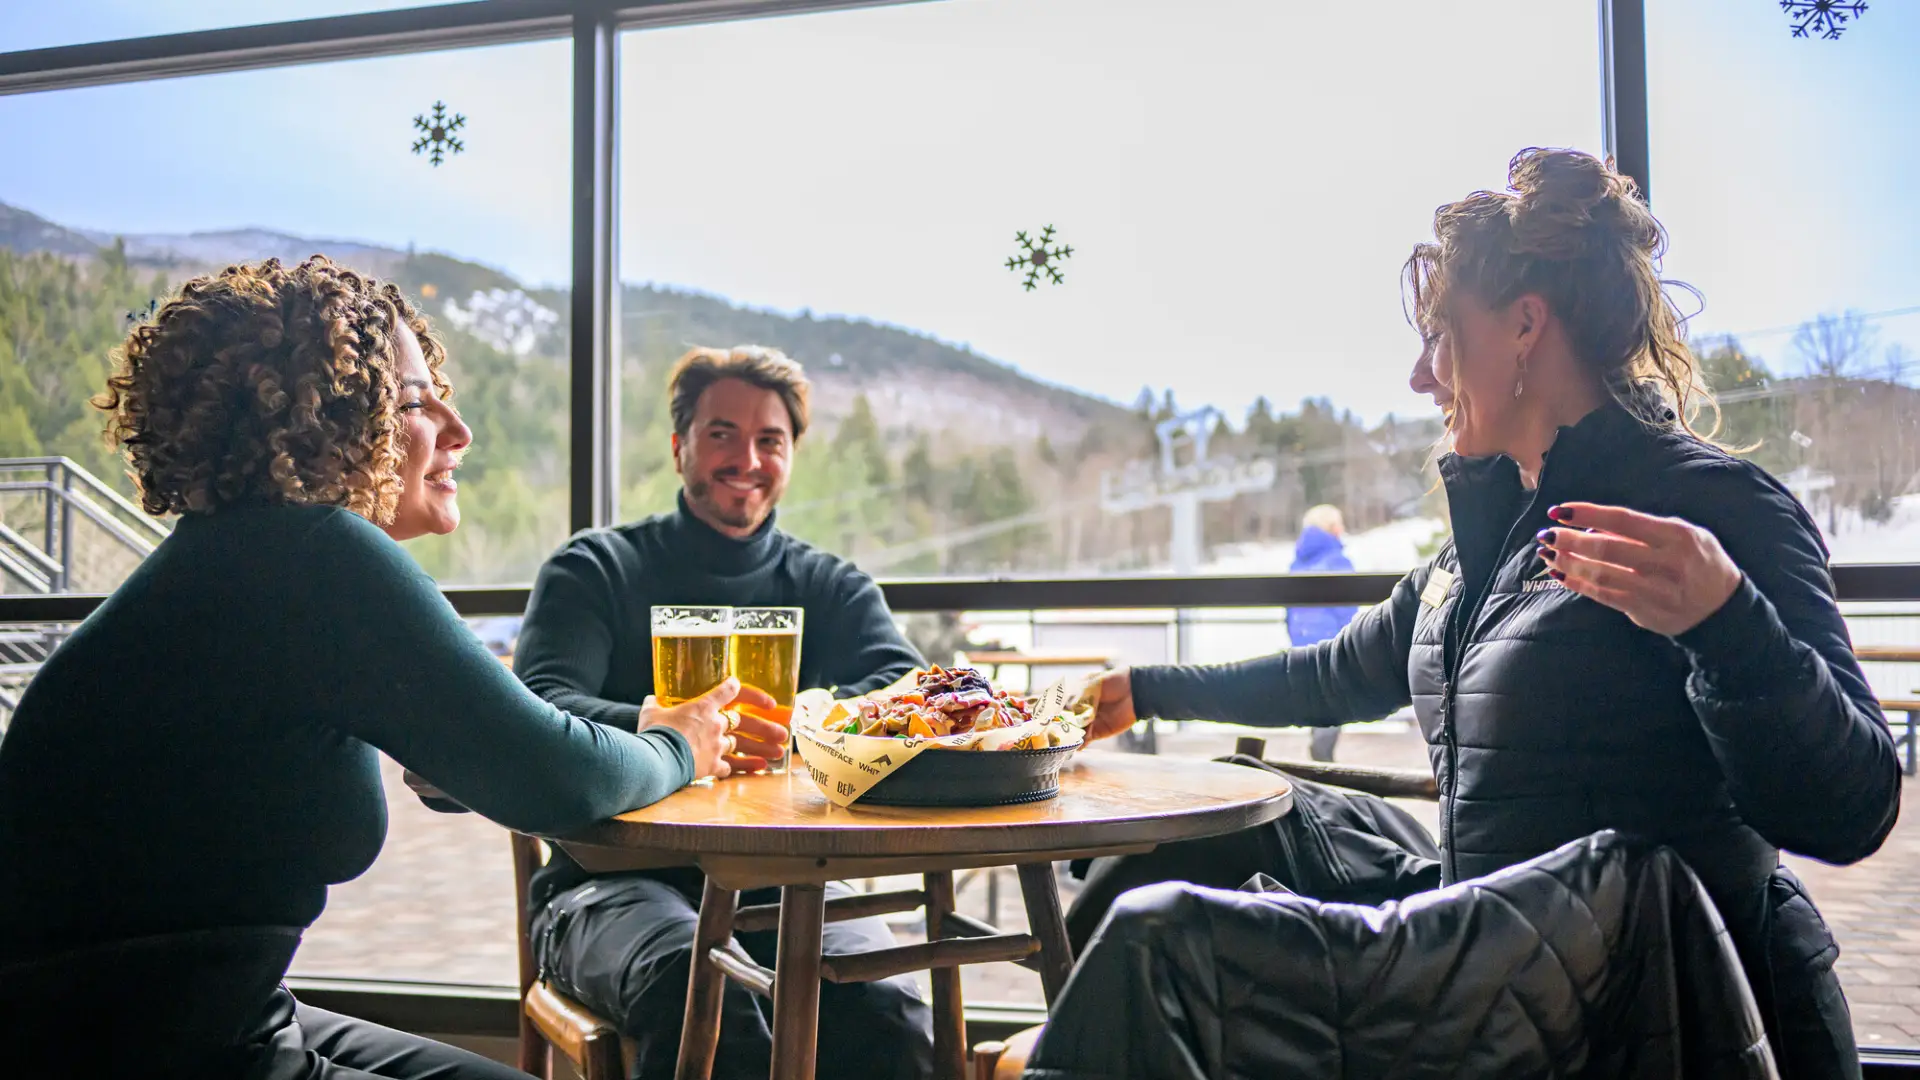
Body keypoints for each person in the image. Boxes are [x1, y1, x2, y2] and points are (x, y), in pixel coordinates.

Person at [1073, 149, 1899, 1079]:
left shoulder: (1715, 508)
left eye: (1439, 336)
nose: (1423, 377)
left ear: (1523, 326)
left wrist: (1728, 623)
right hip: (1498, 974)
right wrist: (1144, 688)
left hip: (1642, 1005)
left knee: (1159, 941)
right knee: (1168, 854)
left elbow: (1855, 806)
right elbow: (1336, 673)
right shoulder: (1483, 547)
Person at [0, 256, 757, 1080]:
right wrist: (681, 747)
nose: (457, 431)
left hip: (174, 1014)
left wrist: (647, 730)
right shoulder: (311, 557)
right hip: (133, 1050)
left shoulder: (248, 556)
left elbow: (502, 730)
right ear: (319, 421)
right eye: (413, 402)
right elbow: (559, 778)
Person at [510, 346, 933, 1080]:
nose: (748, 458)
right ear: (679, 447)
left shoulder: (827, 583)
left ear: (791, 455)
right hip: (606, 885)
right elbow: (542, 704)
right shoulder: (593, 570)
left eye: (770, 439)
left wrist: (810, 716)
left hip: (793, 878)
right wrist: (674, 730)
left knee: (886, 1008)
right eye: (721, 434)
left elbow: (904, 687)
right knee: (702, 989)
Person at [1286, 504, 1360, 761]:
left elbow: (1289, 606)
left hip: (1301, 641)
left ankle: (1320, 751)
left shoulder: (1298, 560)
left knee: (1317, 700)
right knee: (1334, 704)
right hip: (1332, 642)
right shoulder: (1337, 560)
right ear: (1332, 528)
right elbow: (1347, 608)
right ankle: (1323, 758)